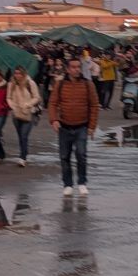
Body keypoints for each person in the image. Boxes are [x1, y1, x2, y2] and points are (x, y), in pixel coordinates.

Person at [48, 57, 99, 197]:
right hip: (64, 126)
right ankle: (68, 184)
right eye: (73, 67)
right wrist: (54, 120)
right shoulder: (60, 84)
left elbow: (94, 105)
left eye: (78, 67)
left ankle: (82, 183)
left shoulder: (88, 84)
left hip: (82, 126)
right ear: (67, 69)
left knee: (81, 155)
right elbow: (52, 103)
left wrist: (92, 126)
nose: (76, 69)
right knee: (64, 156)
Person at [7, 66, 41, 166]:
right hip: (16, 113)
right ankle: (24, 152)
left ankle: (22, 157)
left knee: (24, 135)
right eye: (16, 73)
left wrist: (28, 104)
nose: (17, 75)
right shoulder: (11, 84)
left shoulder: (30, 83)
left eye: (19, 73)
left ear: (24, 74)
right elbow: (8, 97)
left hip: (28, 113)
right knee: (20, 136)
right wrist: (12, 106)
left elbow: (36, 97)